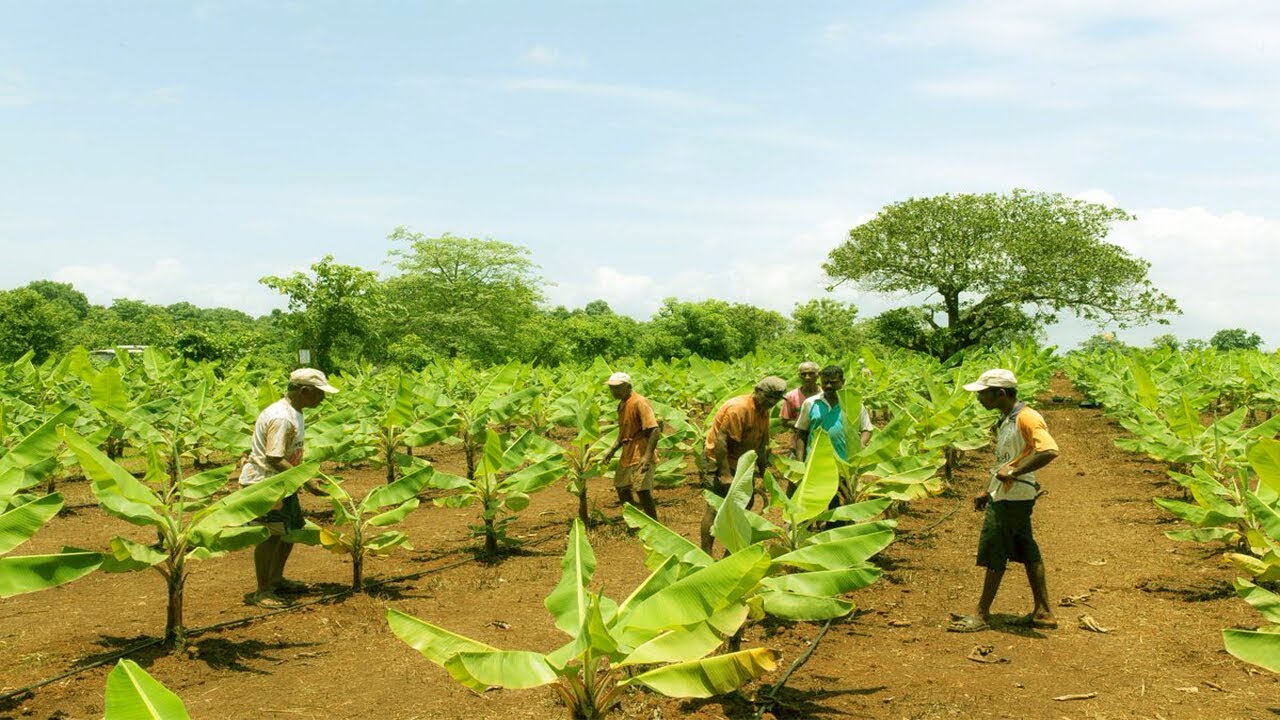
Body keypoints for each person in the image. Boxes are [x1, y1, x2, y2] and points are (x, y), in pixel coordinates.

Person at [948, 368, 1060, 633]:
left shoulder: (1027, 417)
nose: (979, 399)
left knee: (995, 551)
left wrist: (1014, 472)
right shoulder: (1006, 418)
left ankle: (981, 614)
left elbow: (1050, 450)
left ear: (1000, 393)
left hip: (1014, 496)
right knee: (1026, 549)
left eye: (983, 394)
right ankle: (1043, 612)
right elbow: (1005, 460)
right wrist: (987, 489)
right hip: (1007, 493)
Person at [241, 367, 337, 608]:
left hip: (284, 481)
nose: (322, 398)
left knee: (288, 532)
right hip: (265, 483)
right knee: (269, 535)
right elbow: (274, 457)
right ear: (304, 391)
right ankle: (262, 591)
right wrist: (306, 479)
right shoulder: (282, 417)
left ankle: (276, 579)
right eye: (319, 393)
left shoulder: (295, 411)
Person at [701, 376, 787, 553]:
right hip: (720, 461)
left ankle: (730, 552)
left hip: (743, 463)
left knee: (744, 506)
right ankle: (706, 553)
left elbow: (761, 446)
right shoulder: (739, 408)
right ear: (757, 391)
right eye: (769, 397)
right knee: (715, 507)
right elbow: (721, 442)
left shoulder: (763, 410)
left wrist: (763, 473)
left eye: (776, 399)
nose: (772, 402)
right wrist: (725, 474)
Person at [600, 371, 661, 521]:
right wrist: (611, 450)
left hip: (641, 450)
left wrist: (647, 456)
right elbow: (623, 432)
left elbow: (654, 429)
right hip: (628, 451)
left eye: (617, 388)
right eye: (612, 388)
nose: (613, 391)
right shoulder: (621, 405)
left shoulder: (639, 402)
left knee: (642, 490)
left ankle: (654, 524)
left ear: (628, 387)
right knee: (621, 487)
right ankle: (637, 519)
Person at [792, 365, 873, 462]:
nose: (828, 386)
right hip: (815, 461)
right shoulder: (810, 403)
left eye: (833, 382)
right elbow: (801, 434)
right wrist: (800, 463)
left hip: (846, 463)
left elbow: (866, 429)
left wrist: (860, 445)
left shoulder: (853, 403)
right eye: (825, 382)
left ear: (842, 382)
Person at [779, 361, 820, 435]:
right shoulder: (791, 396)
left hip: (821, 437)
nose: (807, 377)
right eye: (803, 374)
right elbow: (785, 421)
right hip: (799, 437)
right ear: (799, 376)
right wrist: (803, 426)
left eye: (811, 374)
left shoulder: (824, 394)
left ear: (818, 375)